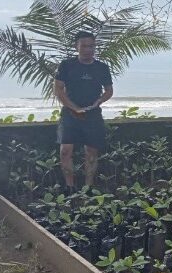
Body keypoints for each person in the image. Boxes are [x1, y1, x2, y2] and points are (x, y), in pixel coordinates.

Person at [54, 31, 114, 193]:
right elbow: (58, 90)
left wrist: (98, 101)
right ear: (77, 47)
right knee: (65, 150)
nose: (88, 49)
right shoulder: (67, 65)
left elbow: (109, 91)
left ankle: (88, 187)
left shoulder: (102, 68)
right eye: (84, 46)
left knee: (91, 152)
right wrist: (74, 108)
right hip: (70, 113)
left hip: (92, 114)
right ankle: (70, 187)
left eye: (91, 46)